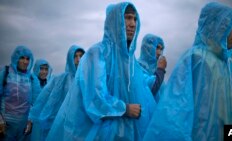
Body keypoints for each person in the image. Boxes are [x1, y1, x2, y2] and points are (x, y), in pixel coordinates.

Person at [46, 2, 156, 141]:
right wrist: (125, 109)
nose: (133, 24)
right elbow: (94, 98)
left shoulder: (130, 60)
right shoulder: (97, 53)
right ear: (115, 21)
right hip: (99, 134)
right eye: (127, 18)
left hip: (126, 133)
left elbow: (143, 89)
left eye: (134, 19)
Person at [143, 2, 232, 141]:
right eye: (230, 24)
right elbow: (176, 114)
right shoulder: (195, 58)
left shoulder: (228, 65)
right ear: (214, 24)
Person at [28, 45, 84, 141]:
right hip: (64, 124)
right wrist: (33, 116)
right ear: (70, 58)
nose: (78, 60)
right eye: (75, 56)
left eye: (81, 56)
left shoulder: (88, 79)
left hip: (81, 125)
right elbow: (44, 98)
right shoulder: (62, 78)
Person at [0, 45, 34, 141]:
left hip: (23, 126)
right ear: (16, 58)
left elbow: (34, 101)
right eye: (22, 58)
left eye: (28, 59)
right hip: (6, 125)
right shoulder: (5, 72)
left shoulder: (31, 78)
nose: (25, 61)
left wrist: (30, 120)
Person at [138, 34, 167, 101]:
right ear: (146, 47)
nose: (159, 53)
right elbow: (149, 90)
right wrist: (161, 70)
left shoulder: (156, 70)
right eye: (157, 47)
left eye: (161, 49)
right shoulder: (137, 67)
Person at [30, 59, 52, 141]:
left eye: (46, 69)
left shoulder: (48, 83)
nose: (44, 72)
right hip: (33, 120)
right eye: (41, 69)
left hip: (45, 119)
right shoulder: (31, 81)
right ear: (36, 69)